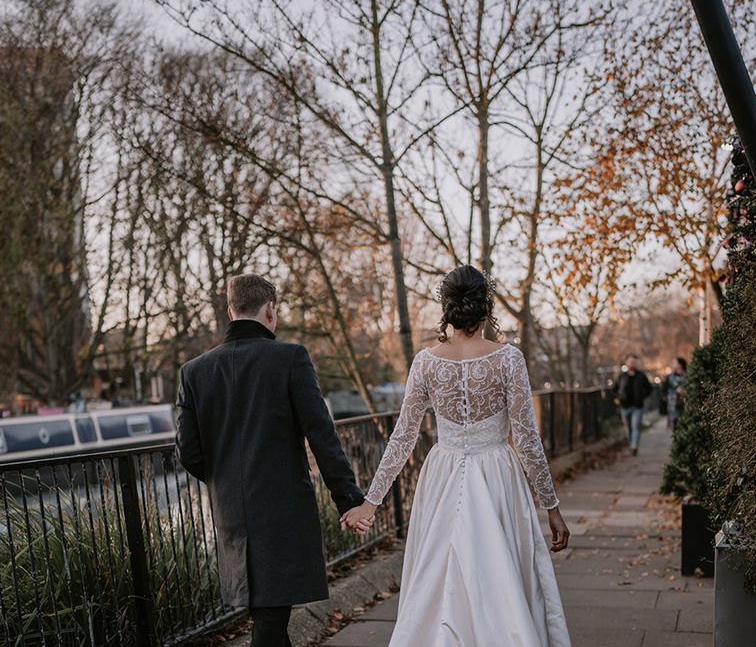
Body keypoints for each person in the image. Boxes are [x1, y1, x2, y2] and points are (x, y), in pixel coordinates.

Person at [342, 265, 571, 647]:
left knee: (441, 574)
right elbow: (527, 440)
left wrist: (371, 502)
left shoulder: (426, 362)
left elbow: (403, 437)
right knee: (500, 577)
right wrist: (551, 506)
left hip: (443, 475)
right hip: (497, 474)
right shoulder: (508, 359)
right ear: (486, 309)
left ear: (447, 308)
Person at [175, 274, 371, 647]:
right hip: (282, 508)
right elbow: (322, 435)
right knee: (270, 619)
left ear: (230, 311)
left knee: (268, 616)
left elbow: (188, 451)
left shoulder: (194, 372)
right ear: (270, 309)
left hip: (231, 510)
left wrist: (227, 480)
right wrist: (348, 498)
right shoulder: (290, 358)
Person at [614, 354, 652, 455]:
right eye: (630, 361)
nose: (632, 363)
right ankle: (631, 444)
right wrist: (618, 398)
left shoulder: (641, 376)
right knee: (629, 428)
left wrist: (642, 396)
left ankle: (634, 446)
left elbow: (649, 389)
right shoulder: (621, 376)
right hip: (625, 406)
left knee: (635, 427)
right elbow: (614, 389)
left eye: (634, 362)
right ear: (626, 362)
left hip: (637, 406)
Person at [662, 357, 687, 431]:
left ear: (680, 364)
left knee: (684, 421)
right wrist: (666, 397)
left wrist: (684, 390)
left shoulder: (687, 375)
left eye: (675, 363)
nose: (673, 365)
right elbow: (664, 388)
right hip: (673, 402)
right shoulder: (669, 377)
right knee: (674, 421)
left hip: (684, 402)